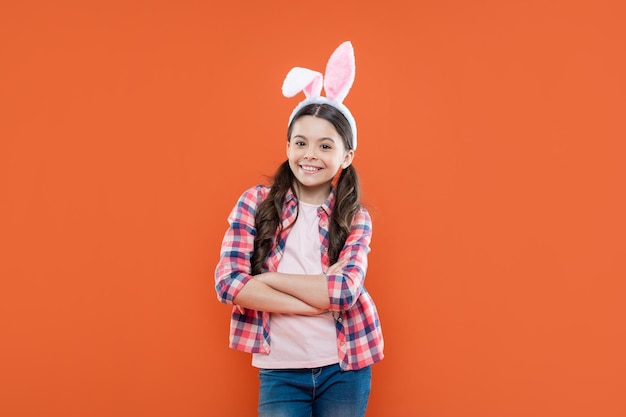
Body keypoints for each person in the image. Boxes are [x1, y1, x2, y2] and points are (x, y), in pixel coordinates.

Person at [215, 41, 384, 417]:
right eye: (301, 142)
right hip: (279, 369)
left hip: (345, 365)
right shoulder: (255, 203)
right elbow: (228, 284)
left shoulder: (354, 215)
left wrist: (266, 280)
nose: (310, 155)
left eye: (326, 145)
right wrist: (314, 300)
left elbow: (343, 292)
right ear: (287, 145)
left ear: (347, 155)